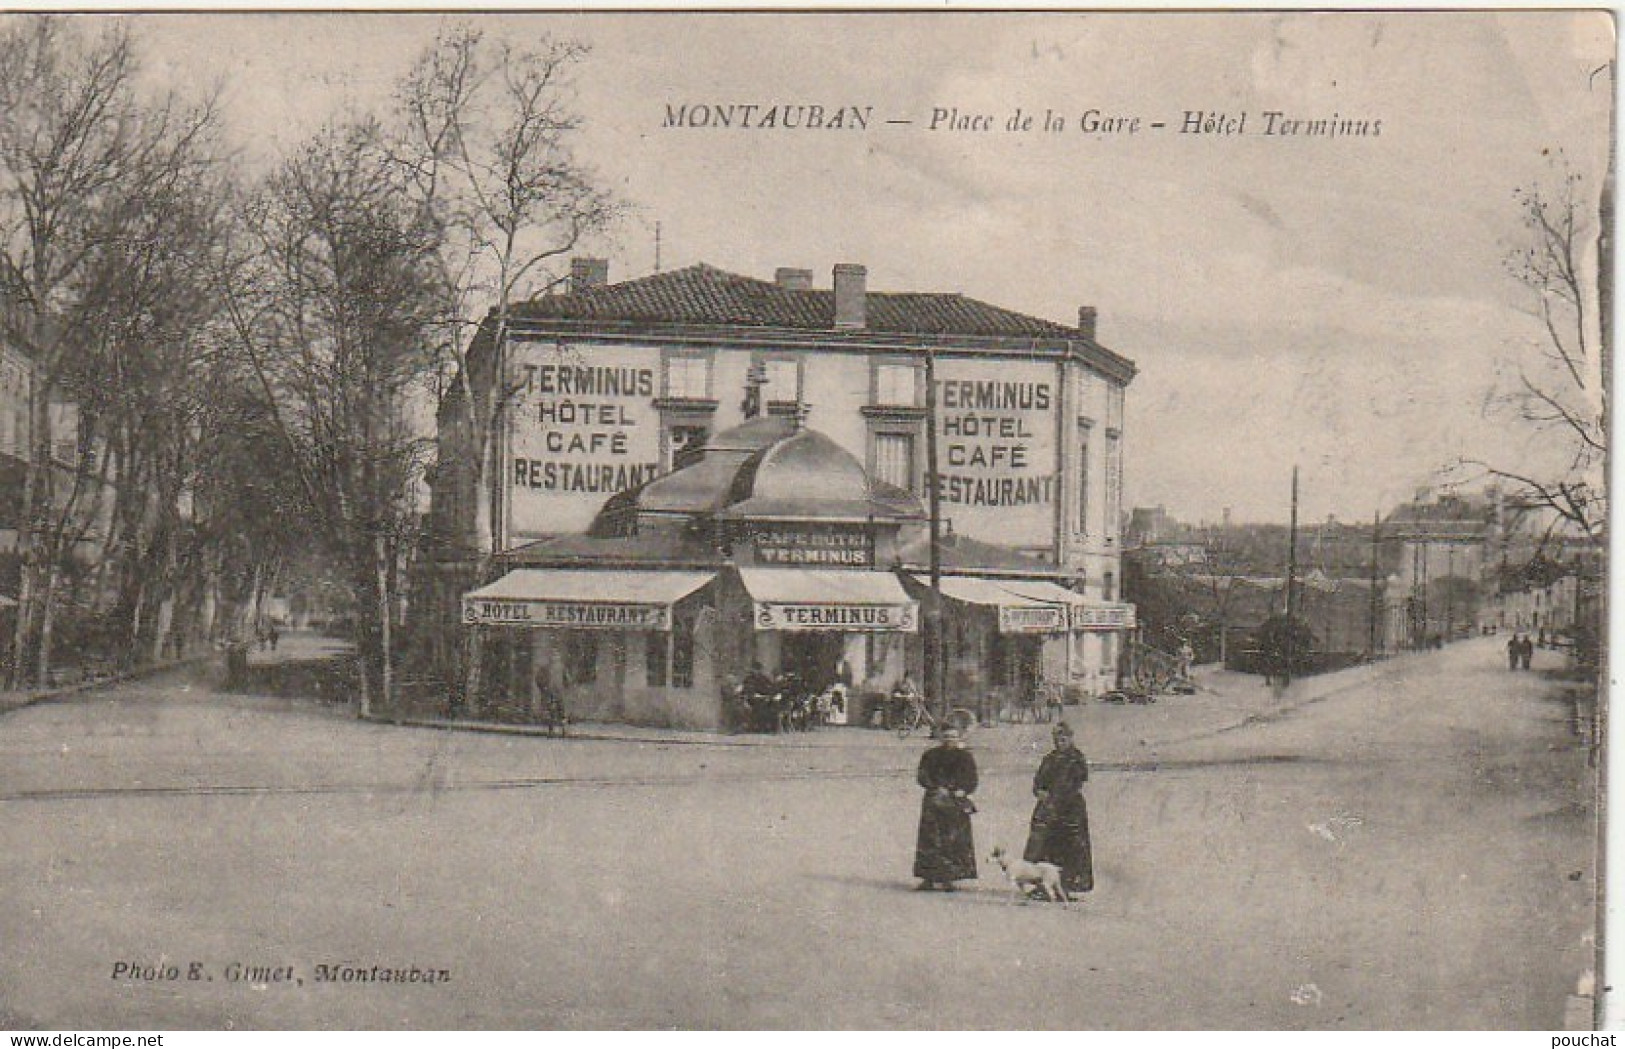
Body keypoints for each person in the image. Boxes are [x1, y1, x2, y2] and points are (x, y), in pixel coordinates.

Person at [1023, 721, 1094, 897]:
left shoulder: (1077, 759)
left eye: (1063, 739)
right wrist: (1039, 791)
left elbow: (1076, 783)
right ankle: (1042, 885)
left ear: (1070, 739)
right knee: (1043, 845)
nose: (1060, 743)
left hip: (1069, 809)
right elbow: (1038, 781)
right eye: (1057, 739)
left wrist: (1057, 797)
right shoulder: (1049, 759)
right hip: (1048, 808)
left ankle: (1068, 886)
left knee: (1069, 846)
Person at [912, 725, 978, 892]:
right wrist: (934, 787)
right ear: (941, 738)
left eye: (953, 737)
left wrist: (963, 789)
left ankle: (950, 878)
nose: (950, 740)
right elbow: (922, 775)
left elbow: (972, 779)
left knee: (953, 840)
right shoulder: (931, 755)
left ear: (959, 738)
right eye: (947, 736)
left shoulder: (965, 757)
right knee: (930, 840)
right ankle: (928, 878)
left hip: (955, 802)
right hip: (934, 801)